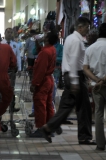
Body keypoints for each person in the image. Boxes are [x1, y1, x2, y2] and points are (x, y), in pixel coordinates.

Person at [41, 17, 96, 145]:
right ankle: (84, 137)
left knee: (66, 106)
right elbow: (74, 61)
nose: (88, 30)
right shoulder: (77, 41)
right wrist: (75, 82)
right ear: (80, 27)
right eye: (87, 27)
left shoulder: (70, 38)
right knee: (84, 108)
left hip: (69, 75)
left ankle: (48, 127)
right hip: (74, 75)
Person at [29, 31, 58, 137]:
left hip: (43, 81)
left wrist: (34, 83)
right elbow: (41, 50)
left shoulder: (45, 52)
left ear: (47, 39)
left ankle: (41, 129)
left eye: (45, 36)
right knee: (48, 104)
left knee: (40, 104)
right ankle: (50, 128)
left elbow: (40, 70)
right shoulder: (51, 49)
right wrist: (37, 43)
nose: (43, 36)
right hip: (49, 80)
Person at [83, 23, 106, 151]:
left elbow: (85, 68)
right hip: (102, 83)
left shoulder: (90, 48)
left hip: (96, 86)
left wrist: (97, 80)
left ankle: (100, 144)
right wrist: (103, 80)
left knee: (98, 114)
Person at [1, 28, 21, 112]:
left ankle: (12, 106)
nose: (9, 34)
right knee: (2, 88)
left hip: (12, 70)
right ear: (5, 33)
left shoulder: (15, 45)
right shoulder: (1, 44)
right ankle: (2, 106)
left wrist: (19, 68)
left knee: (11, 88)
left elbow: (18, 57)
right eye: (8, 32)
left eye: (11, 32)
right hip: (2, 70)